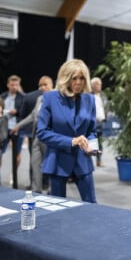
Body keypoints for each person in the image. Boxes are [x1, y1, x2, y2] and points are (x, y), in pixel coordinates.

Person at [37, 59, 98, 202]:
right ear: (65, 78)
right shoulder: (50, 98)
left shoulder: (90, 99)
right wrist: (71, 141)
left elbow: (92, 131)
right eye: (74, 78)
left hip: (83, 161)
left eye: (82, 78)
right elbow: (42, 132)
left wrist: (92, 147)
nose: (78, 82)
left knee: (92, 206)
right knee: (58, 209)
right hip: (58, 161)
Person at [12, 76, 54, 192]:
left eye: (45, 84)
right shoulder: (40, 99)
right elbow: (32, 116)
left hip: (50, 138)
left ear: (52, 85)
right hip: (37, 136)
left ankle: (53, 190)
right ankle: (37, 191)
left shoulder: (57, 99)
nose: (42, 87)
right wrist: (18, 125)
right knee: (35, 164)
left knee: (50, 165)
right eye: (40, 85)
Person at [0, 75, 25, 185]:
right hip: (4, 128)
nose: (14, 86)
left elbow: (26, 112)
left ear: (19, 85)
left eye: (16, 84)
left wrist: (17, 112)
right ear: (8, 85)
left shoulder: (23, 97)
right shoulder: (2, 96)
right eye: (12, 84)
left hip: (17, 128)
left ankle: (13, 174)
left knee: (17, 153)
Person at [90, 76, 107, 167]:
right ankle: (91, 160)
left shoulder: (103, 95)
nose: (99, 85)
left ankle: (99, 160)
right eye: (97, 84)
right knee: (92, 142)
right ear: (92, 85)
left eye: (100, 84)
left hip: (101, 122)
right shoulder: (89, 96)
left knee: (100, 143)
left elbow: (105, 107)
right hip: (93, 122)